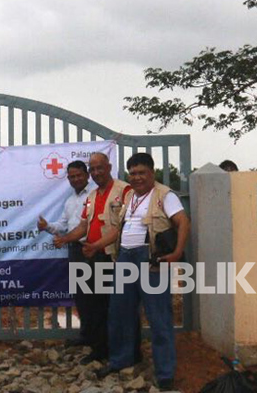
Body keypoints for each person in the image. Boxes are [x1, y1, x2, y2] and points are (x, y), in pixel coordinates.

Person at [100, 152, 190, 391]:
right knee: (120, 312)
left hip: (150, 261)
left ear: (152, 173)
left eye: (142, 173)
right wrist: (95, 246)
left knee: (159, 317)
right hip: (125, 259)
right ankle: (121, 360)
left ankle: (165, 374)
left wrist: (177, 253)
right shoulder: (130, 197)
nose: (137, 177)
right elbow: (119, 229)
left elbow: (183, 222)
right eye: (133, 173)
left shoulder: (164, 195)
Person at [54, 152, 130, 364]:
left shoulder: (124, 191)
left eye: (100, 168)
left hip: (115, 256)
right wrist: (67, 239)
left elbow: (121, 227)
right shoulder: (92, 197)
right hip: (95, 255)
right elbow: (83, 226)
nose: (96, 173)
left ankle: (121, 351)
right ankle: (100, 347)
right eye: (93, 169)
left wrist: (96, 245)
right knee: (94, 303)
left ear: (109, 167)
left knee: (115, 305)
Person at [37, 160, 95, 347]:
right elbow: (62, 226)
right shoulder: (70, 201)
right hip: (75, 251)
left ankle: (100, 339)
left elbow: (86, 227)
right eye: (72, 176)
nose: (76, 179)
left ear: (87, 175)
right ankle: (87, 335)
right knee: (81, 295)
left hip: (93, 249)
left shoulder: (95, 195)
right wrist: (47, 227)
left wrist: (65, 239)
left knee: (97, 296)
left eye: (79, 175)